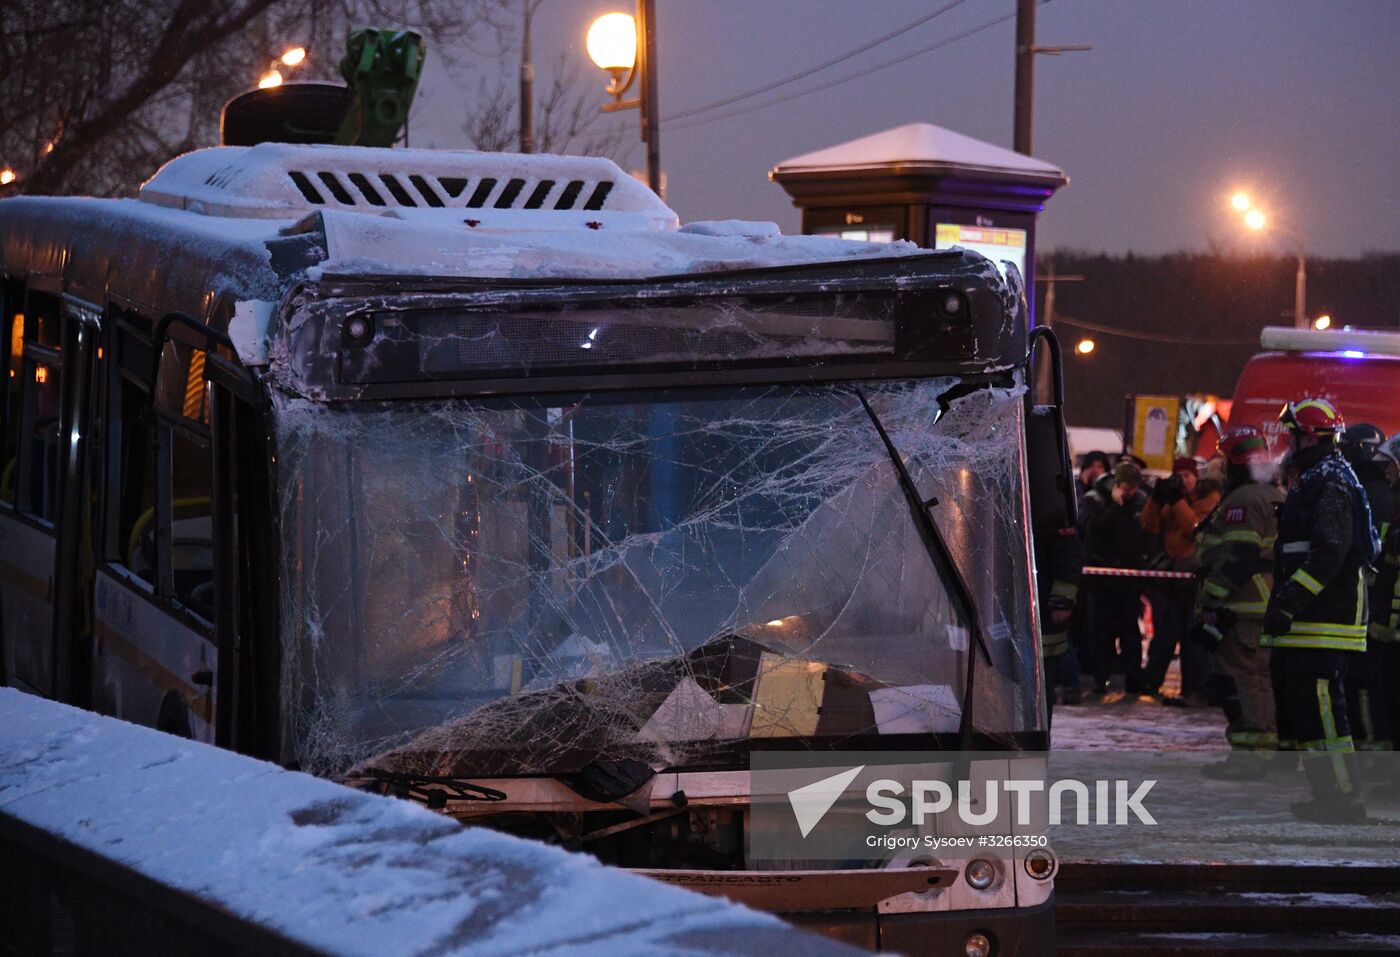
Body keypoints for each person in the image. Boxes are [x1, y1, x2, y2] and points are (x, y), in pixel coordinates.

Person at [1263, 398, 1379, 823]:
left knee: (1326, 712)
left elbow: (1329, 551)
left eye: (1293, 433)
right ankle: (1327, 794)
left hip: (1326, 619)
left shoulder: (1330, 480)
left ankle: (1345, 799)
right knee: (1311, 712)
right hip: (1312, 619)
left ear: (1309, 436)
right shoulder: (1317, 477)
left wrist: (1290, 600)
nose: (1288, 442)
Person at [1190, 427, 1284, 777]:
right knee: (1257, 676)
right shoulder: (1272, 494)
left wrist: (1212, 597)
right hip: (1260, 603)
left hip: (1240, 604)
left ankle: (1251, 755)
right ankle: (1262, 750)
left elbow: (1238, 556)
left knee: (1240, 677)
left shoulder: (1244, 500)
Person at [1141, 456, 1221, 700]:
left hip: (1194, 574)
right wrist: (1157, 499)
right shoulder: (1175, 500)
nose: (1184, 480)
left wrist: (1176, 501)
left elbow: (1195, 528)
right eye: (1180, 476)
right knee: (1166, 632)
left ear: (1197, 477)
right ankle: (1151, 682)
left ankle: (1194, 689)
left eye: (1188, 475)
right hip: (1171, 574)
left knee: (1192, 637)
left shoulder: (1209, 499)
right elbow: (1149, 525)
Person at [1340, 425, 1395, 765]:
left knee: (1364, 683)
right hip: (1377, 605)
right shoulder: (1380, 492)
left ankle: (1372, 755)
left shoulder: (1368, 493)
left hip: (1371, 606)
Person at [1081, 460, 1150, 694]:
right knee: (1102, 632)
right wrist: (1115, 507)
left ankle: (1133, 678)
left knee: (1130, 631)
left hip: (1128, 581)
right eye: (1129, 488)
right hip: (1102, 580)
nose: (1132, 493)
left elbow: (1142, 536)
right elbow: (1092, 531)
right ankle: (1101, 678)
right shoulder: (1096, 499)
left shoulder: (1139, 502)